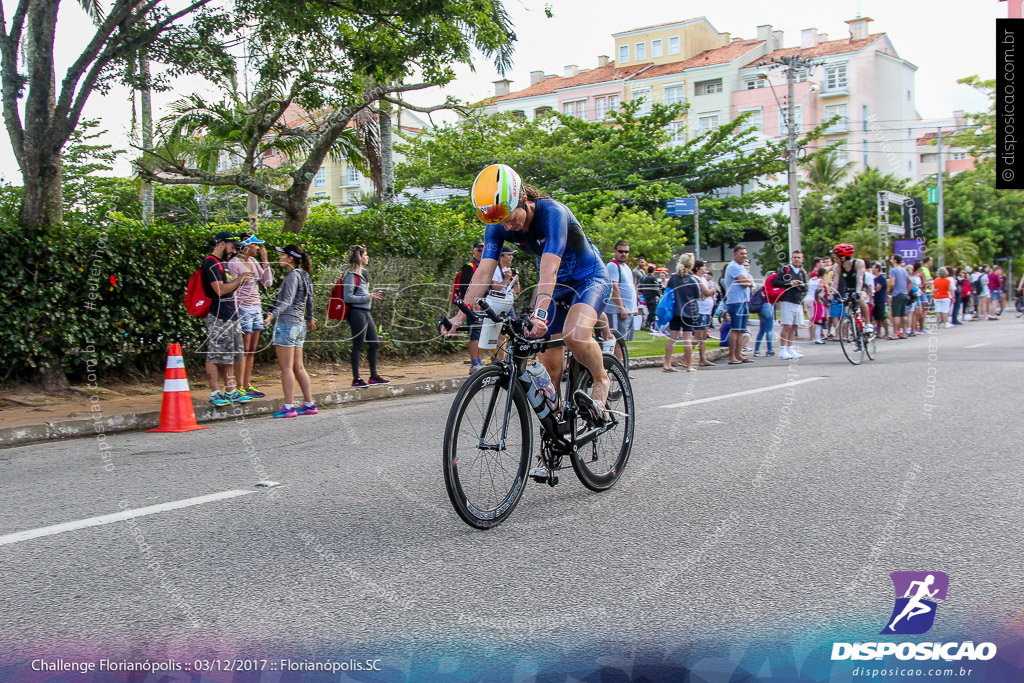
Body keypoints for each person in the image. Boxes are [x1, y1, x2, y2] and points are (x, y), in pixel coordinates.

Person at [445, 163, 612, 428]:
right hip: (554, 285)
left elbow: (549, 269)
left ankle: (602, 379)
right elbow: (483, 273)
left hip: (588, 278)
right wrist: (458, 316)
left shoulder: (553, 213)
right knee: (547, 365)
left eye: (511, 217)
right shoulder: (499, 225)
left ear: (523, 199)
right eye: (501, 222)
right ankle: (555, 438)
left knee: (575, 335)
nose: (509, 226)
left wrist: (540, 313)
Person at [263, 244, 316, 417]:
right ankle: (309, 403)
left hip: (287, 324)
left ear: (290, 258)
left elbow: (287, 301)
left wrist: (272, 314)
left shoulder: (293, 276)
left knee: (286, 368)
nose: (279, 258)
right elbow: (309, 300)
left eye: (282, 255)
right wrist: (309, 318)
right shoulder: (305, 275)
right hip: (299, 325)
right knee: (298, 367)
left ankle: (288, 406)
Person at [202, 231, 252, 407]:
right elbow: (220, 290)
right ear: (222, 244)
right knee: (215, 354)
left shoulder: (223, 264)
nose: (233, 252)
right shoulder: (210, 264)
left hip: (232, 315)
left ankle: (230, 390)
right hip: (218, 316)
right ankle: (215, 392)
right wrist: (240, 279)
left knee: (230, 356)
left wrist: (240, 281)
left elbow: (229, 288)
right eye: (232, 247)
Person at [227, 234, 273, 398]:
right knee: (243, 348)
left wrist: (265, 261)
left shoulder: (253, 262)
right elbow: (230, 288)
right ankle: (239, 385)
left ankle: (246, 385)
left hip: (256, 307)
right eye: (255, 245)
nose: (258, 248)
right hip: (243, 308)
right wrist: (235, 310)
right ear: (247, 246)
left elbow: (267, 282)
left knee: (252, 349)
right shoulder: (234, 264)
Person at [342, 245, 389, 388]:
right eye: (366, 255)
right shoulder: (350, 275)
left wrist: (369, 297)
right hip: (356, 312)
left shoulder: (364, 273)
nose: (367, 257)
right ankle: (356, 378)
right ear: (359, 257)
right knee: (358, 344)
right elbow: (347, 297)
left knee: (374, 343)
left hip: (365, 311)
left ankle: (373, 376)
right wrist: (368, 297)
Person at [663, 253, 712, 372]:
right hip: (689, 312)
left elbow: (668, 290)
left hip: (675, 311)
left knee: (672, 338)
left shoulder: (674, 277)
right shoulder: (693, 279)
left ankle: (667, 363)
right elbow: (697, 295)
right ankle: (689, 365)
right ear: (691, 264)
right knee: (687, 339)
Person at [454, 241, 485, 373]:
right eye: (479, 250)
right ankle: (474, 362)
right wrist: (473, 303)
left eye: (484, 250)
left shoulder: (483, 266)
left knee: (481, 334)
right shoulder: (469, 265)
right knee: (474, 334)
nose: (481, 252)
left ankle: (480, 360)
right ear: (473, 252)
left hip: (483, 304)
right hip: (472, 305)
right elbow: (464, 287)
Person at [831, 243, 873, 334]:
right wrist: (832, 294)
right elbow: (835, 282)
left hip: (860, 288)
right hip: (849, 289)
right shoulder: (837, 267)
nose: (834, 259)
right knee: (848, 312)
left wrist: (857, 292)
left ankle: (868, 324)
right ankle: (855, 334)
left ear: (843, 258)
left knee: (860, 300)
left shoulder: (858, 263)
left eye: (836, 257)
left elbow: (860, 278)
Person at [724, 245, 754, 364]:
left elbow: (749, 281)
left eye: (745, 254)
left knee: (741, 330)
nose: (744, 256)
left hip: (743, 300)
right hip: (736, 301)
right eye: (741, 254)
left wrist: (749, 282)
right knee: (735, 329)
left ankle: (739, 354)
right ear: (735, 255)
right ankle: (732, 356)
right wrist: (749, 282)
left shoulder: (741, 267)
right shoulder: (733, 267)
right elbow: (744, 282)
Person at [775, 250, 808, 360]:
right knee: (787, 325)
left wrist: (801, 286)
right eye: (794, 257)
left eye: (799, 257)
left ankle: (790, 348)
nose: (797, 259)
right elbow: (776, 282)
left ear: (802, 259)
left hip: (797, 301)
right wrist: (790, 283)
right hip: (787, 300)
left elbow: (806, 287)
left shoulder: (802, 272)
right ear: (791, 258)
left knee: (794, 326)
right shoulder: (786, 269)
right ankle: (783, 349)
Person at [606, 240, 637, 342]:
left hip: (628, 309)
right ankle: (615, 358)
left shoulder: (626, 267)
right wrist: (621, 308)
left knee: (623, 340)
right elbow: (614, 287)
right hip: (617, 311)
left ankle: (621, 358)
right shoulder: (613, 266)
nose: (623, 254)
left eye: (626, 252)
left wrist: (633, 307)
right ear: (615, 251)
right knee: (615, 339)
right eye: (621, 251)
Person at [694, 261, 716, 366]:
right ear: (698, 268)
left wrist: (710, 291)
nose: (705, 268)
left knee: (703, 336)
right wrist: (710, 291)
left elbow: (712, 290)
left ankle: (702, 359)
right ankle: (685, 358)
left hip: (706, 310)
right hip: (700, 310)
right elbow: (707, 292)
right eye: (704, 266)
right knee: (698, 336)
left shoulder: (703, 278)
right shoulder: (697, 278)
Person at [889, 254, 911, 339]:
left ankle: (895, 333)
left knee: (896, 314)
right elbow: (911, 281)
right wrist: (907, 291)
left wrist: (891, 290)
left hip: (897, 294)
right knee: (904, 314)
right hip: (904, 293)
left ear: (895, 260)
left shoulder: (893, 270)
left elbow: (892, 282)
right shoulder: (904, 270)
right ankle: (904, 332)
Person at [871, 262, 891, 339]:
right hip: (875, 300)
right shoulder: (874, 278)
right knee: (877, 318)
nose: (872, 269)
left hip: (880, 300)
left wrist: (872, 289)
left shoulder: (881, 279)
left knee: (882, 317)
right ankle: (878, 333)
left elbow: (877, 289)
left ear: (877, 269)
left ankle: (887, 333)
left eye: (873, 268)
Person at [638, 266, 661, 330]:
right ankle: (649, 325)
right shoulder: (653, 278)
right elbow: (655, 288)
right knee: (652, 312)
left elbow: (640, 288)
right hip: (652, 296)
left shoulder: (643, 278)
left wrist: (644, 293)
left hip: (646, 297)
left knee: (650, 311)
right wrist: (659, 295)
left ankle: (647, 324)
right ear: (653, 271)